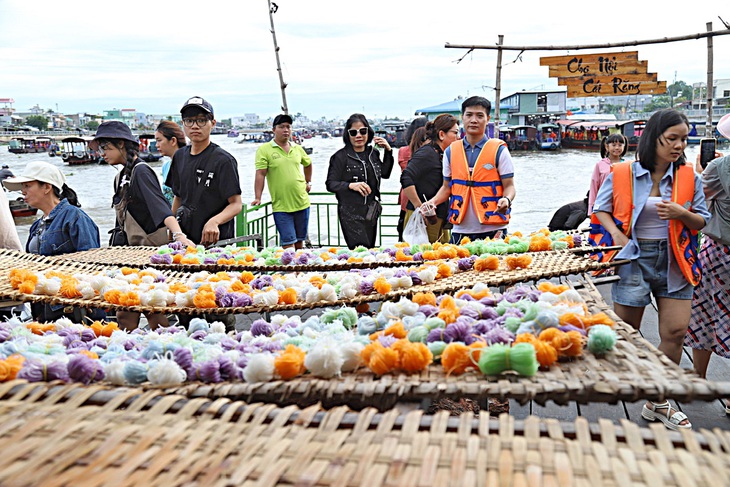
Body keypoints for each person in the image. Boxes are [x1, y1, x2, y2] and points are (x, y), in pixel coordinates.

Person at [591, 108, 711, 431]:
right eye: (672, 138)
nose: (678, 145)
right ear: (653, 138)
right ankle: (644, 385)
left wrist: (679, 214)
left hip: (675, 259)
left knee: (675, 331)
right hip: (632, 257)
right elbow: (599, 209)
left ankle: (658, 400)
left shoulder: (690, 176)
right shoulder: (621, 173)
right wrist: (617, 235)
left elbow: (703, 220)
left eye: (683, 139)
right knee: (628, 334)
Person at [93, 121, 194, 330]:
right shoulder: (120, 177)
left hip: (147, 256)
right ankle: (128, 350)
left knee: (153, 312)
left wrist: (178, 235)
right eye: (100, 148)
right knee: (124, 312)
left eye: (106, 147)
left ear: (121, 144)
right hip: (128, 257)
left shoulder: (141, 171)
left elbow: (161, 207)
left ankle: (165, 350)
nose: (102, 153)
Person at [3, 161, 101, 321]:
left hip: (69, 307)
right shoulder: (36, 225)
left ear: (47, 187)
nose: (23, 192)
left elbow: (92, 265)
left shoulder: (75, 217)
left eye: (27, 186)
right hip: (43, 305)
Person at [684, 113, 730, 412]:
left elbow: (696, 201)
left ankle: (698, 379)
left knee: (704, 314)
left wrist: (701, 172)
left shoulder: (721, 167)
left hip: (720, 254)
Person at [427, 96, 516, 244]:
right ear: (462, 118)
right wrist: (432, 202)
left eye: (479, 116)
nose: (473, 120)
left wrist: (506, 199)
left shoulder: (499, 150)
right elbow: (446, 187)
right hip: (460, 230)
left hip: (494, 227)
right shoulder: (451, 151)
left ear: (488, 119)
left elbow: (510, 186)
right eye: (469, 115)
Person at [165, 96, 242, 246]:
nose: (195, 126)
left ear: (212, 123)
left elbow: (236, 204)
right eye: (189, 121)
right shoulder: (179, 156)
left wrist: (214, 222)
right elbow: (178, 197)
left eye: (201, 120)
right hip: (185, 241)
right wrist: (173, 230)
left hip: (216, 243)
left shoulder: (224, 160)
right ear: (183, 124)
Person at [326, 113, 394, 249]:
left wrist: (388, 151)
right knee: (360, 251)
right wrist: (350, 185)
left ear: (368, 133)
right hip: (350, 213)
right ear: (348, 135)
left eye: (363, 131)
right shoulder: (340, 157)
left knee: (370, 249)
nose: (359, 136)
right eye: (353, 132)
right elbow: (330, 184)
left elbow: (385, 173)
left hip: (371, 211)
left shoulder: (373, 153)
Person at [252, 114, 313, 249]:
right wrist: (258, 197)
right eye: (281, 127)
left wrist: (308, 182)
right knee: (288, 243)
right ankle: (291, 270)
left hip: (302, 203)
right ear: (274, 130)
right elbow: (260, 174)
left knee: (299, 242)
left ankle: (299, 269)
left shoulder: (297, 148)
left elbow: (308, 164)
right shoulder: (265, 149)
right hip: (281, 206)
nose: (286, 130)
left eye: (288, 127)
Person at [400, 114, 460, 243]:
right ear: (442, 134)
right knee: (424, 257)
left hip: (438, 216)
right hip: (425, 218)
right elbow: (406, 177)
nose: (458, 137)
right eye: (455, 133)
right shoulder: (427, 153)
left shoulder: (441, 154)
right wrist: (419, 206)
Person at [396, 117, 428, 240]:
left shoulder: (403, 151)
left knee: (405, 230)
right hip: (426, 195)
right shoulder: (431, 152)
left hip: (407, 194)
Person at [588, 134, 628, 215]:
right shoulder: (600, 165)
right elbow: (594, 187)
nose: (617, 148)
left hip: (621, 206)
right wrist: (591, 210)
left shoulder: (627, 165)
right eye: (613, 145)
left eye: (620, 145)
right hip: (603, 204)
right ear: (607, 147)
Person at [155, 120, 187, 207]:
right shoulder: (166, 166)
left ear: (173, 141)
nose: (156, 145)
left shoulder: (188, 164)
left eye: (159, 140)